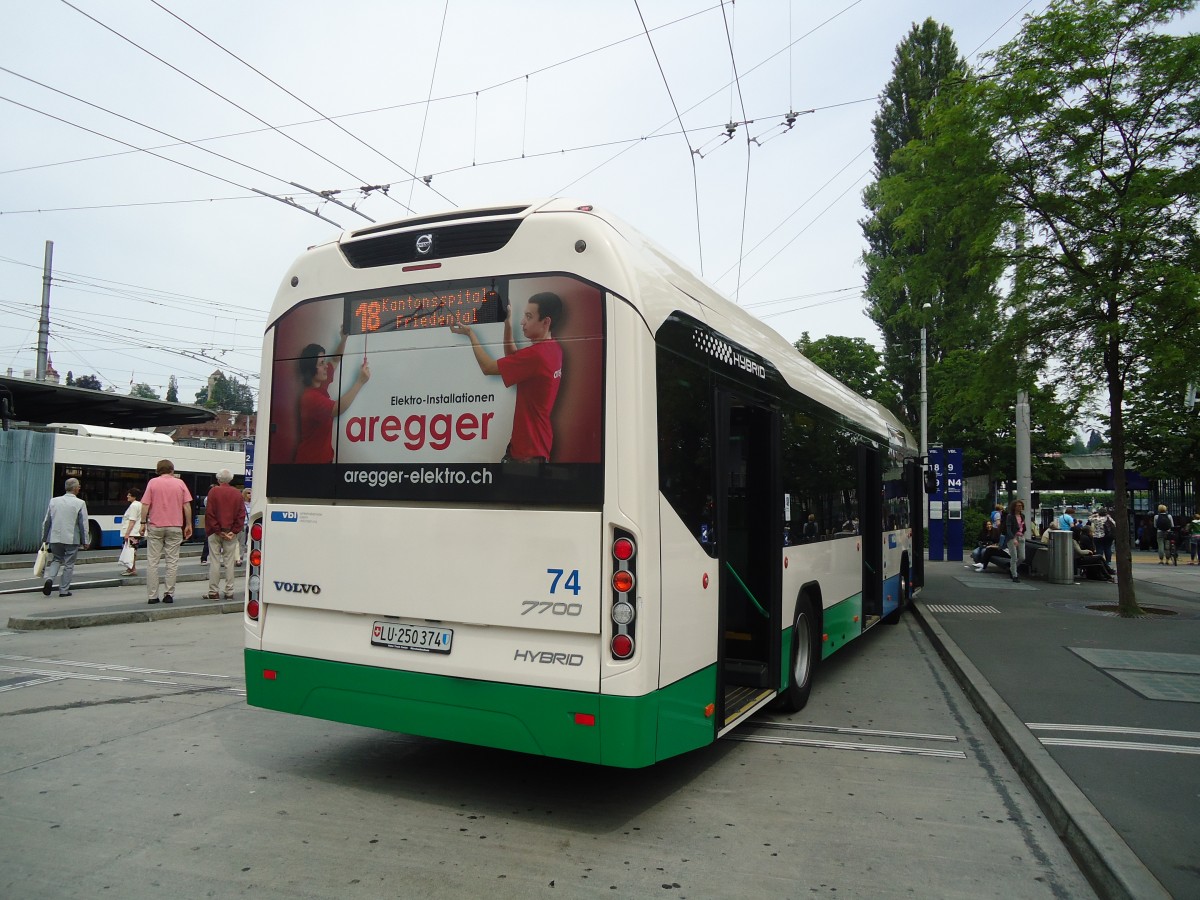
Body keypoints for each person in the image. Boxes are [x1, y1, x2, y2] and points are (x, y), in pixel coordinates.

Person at [450, 292, 563, 463]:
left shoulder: (536, 356)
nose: (522, 322)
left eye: (529, 316)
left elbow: (487, 368)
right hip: (536, 446)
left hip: (528, 453)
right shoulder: (553, 349)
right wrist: (508, 324)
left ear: (546, 322)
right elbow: (513, 358)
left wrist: (470, 334)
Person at [294, 329, 371, 464]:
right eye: (321, 363)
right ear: (311, 370)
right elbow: (337, 408)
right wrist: (360, 382)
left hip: (322, 461)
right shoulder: (310, 398)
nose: (326, 366)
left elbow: (335, 360)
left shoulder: (320, 384)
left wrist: (343, 339)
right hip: (310, 466)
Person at [139, 459, 193, 605]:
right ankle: (168, 594)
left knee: (152, 562)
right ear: (172, 470)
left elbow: (145, 505)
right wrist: (188, 524)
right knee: (172, 562)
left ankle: (152, 596)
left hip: (155, 526)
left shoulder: (152, 483)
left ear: (158, 470)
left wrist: (143, 523)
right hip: (175, 526)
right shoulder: (180, 483)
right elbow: (187, 506)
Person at [40, 477, 88, 597]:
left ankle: (49, 579)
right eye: (78, 486)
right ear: (75, 488)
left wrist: (44, 538)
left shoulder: (54, 501)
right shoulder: (80, 503)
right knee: (69, 564)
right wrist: (85, 541)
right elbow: (83, 524)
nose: (79, 488)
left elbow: (47, 521)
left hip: (55, 537)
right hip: (72, 538)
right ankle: (63, 590)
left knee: (56, 559)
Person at [203, 469, 245, 601]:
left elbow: (209, 513)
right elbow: (241, 514)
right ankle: (229, 592)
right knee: (229, 562)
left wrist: (217, 530)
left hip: (215, 532)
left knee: (215, 561)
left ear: (218, 479)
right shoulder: (237, 494)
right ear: (231, 479)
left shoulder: (213, 492)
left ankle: (213, 591)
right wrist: (234, 530)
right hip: (231, 532)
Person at [119, 488, 142, 576]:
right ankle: (131, 568)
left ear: (134, 496)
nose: (127, 496)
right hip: (136, 532)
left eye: (129, 494)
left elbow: (132, 520)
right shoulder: (139, 505)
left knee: (131, 551)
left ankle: (132, 569)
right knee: (132, 551)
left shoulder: (134, 506)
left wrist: (127, 534)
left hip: (132, 533)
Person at [1003, 498, 1027, 583]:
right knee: (1014, 557)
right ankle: (1014, 575)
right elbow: (1008, 528)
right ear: (1014, 507)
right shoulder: (1010, 516)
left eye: (1021, 506)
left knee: (1022, 557)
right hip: (1012, 537)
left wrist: (1023, 534)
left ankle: (1012, 568)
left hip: (1021, 537)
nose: (1020, 507)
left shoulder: (1022, 516)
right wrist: (1013, 538)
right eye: (1018, 506)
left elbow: (1023, 527)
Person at [238, 487, 252, 565]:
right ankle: (240, 557)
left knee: (248, 542)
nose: (250, 495)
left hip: (251, 524)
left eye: (251, 493)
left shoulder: (254, 503)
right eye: (248, 493)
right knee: (241, 542)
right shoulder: (241, 503)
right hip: (243, 524)